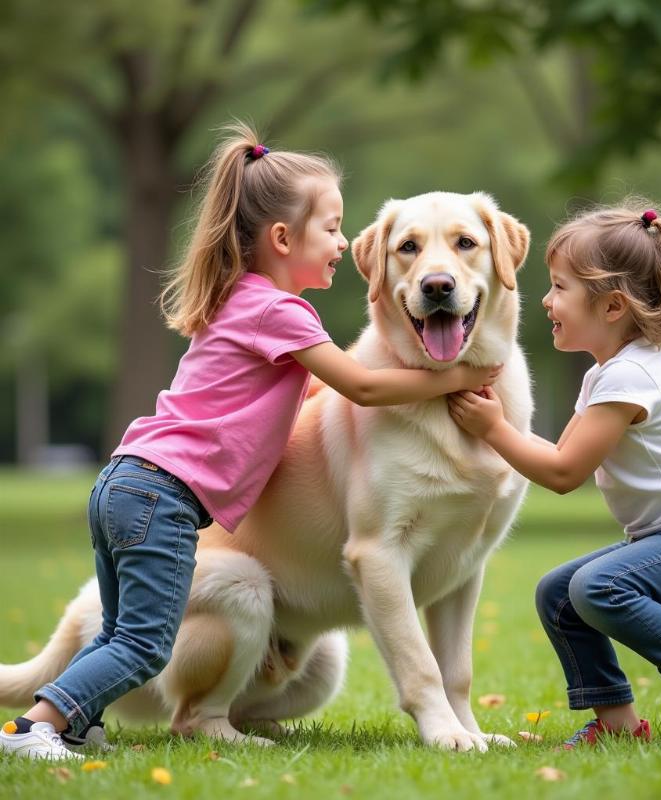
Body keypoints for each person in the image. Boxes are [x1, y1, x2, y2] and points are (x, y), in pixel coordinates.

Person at [0, 123, 501, 761]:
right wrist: (466, 374)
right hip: (164, 497)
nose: (345, 246)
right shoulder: (281, 314)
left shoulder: (244, 300)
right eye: (332, 229)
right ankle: (35, 728)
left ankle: (78, 718)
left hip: (127, 481)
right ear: (284, 239)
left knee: (121, 634)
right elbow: (362, 388)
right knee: (144, 642)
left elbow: (313, 398)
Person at [448, 203, 661, 750]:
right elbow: (559, 454)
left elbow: (563, 474)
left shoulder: (631, 375)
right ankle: (617, 720)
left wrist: (492, 430)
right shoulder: (607, 373)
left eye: (558, 288)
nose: (547, 302)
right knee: (559, 593)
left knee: (596, 586)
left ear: (611, 305)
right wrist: (499, 424)